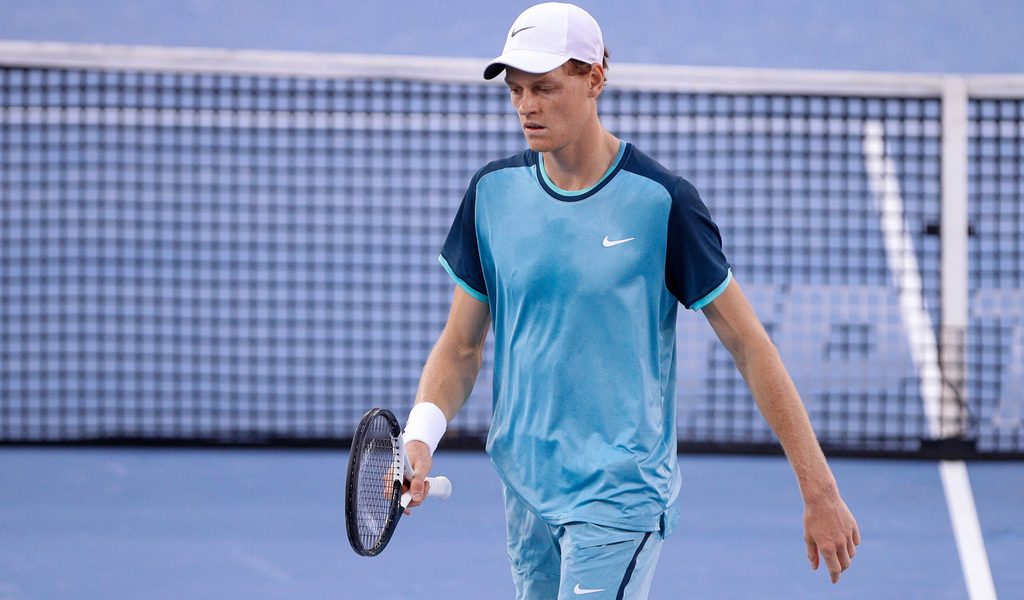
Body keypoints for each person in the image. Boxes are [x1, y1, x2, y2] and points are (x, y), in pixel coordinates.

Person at [399, 3, 860, 598]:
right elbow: (461, 347)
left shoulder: (662, 202)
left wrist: (819, 491)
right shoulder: (492, 194)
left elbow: (750, 346)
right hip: (526, 486)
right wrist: (420, 437)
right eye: (516, 90)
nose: (526, 106)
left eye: (544, 88)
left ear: (594, 79)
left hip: (618, 495)